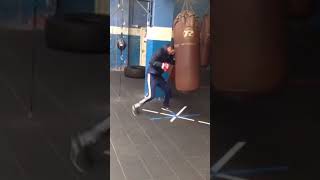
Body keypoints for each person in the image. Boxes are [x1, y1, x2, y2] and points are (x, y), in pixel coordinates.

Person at [132, 44, 175, 116]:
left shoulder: (169, 54)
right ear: (169, 48)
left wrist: (172, 56)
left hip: (158, 76)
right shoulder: (160, 51)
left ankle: (165, 104)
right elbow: (152, 62)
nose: (173, 52)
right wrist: (162, 65)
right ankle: (135, 106)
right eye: (173, 51)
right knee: (151, 96)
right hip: (151, 75)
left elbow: (172, 62)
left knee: (167, 89)